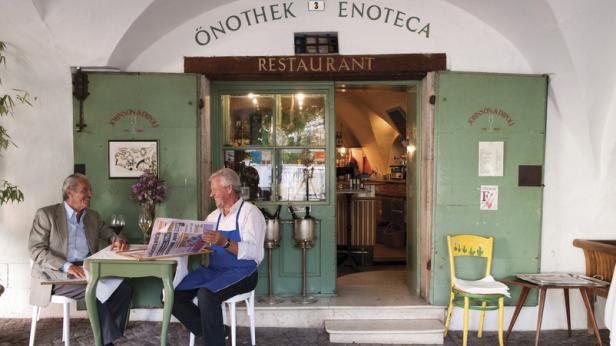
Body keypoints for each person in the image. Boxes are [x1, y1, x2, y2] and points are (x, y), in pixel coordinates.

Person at [28, 173, 132, 346]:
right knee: (96, 291)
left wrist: (117, 240)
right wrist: (67, 266)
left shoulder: (92, 216)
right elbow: (36, 250)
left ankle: (108, 336)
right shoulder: (46, 214)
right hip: (54, 274)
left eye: (90, 190)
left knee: (124, 288)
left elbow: (110, 233)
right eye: (85, 190)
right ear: (69, 192)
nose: (90, 194)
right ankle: (106, 342)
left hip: (86, 270)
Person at [172, 168, 266, 346]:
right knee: (173, 295)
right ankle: (218, 331)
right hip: (215, 271)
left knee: (206, 295)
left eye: (214, 189)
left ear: (229, 188)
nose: (211, 194)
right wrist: (191, 244)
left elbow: (254, 253)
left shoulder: (250, 213)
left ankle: (213, 337)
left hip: (243, 272)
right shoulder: (213, 217)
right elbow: (206, 246)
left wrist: (225, 242)